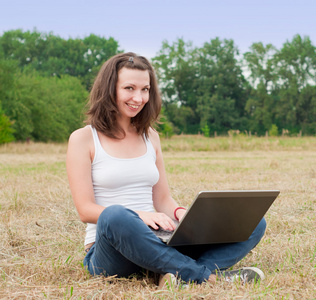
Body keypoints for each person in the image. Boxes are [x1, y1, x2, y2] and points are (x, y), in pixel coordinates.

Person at [66, 52, 267, 287]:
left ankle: (172, 274)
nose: (138, 98)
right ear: (110, 89)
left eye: (145, 89)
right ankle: (207, 277)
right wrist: (140, 216)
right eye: (129, 88)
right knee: (115, 215)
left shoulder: (151, 137)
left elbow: (162, 200)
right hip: (111, 250)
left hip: (156, 241)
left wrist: (182, 214)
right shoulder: (83, 139)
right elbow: (85, 210)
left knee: (254, 222)